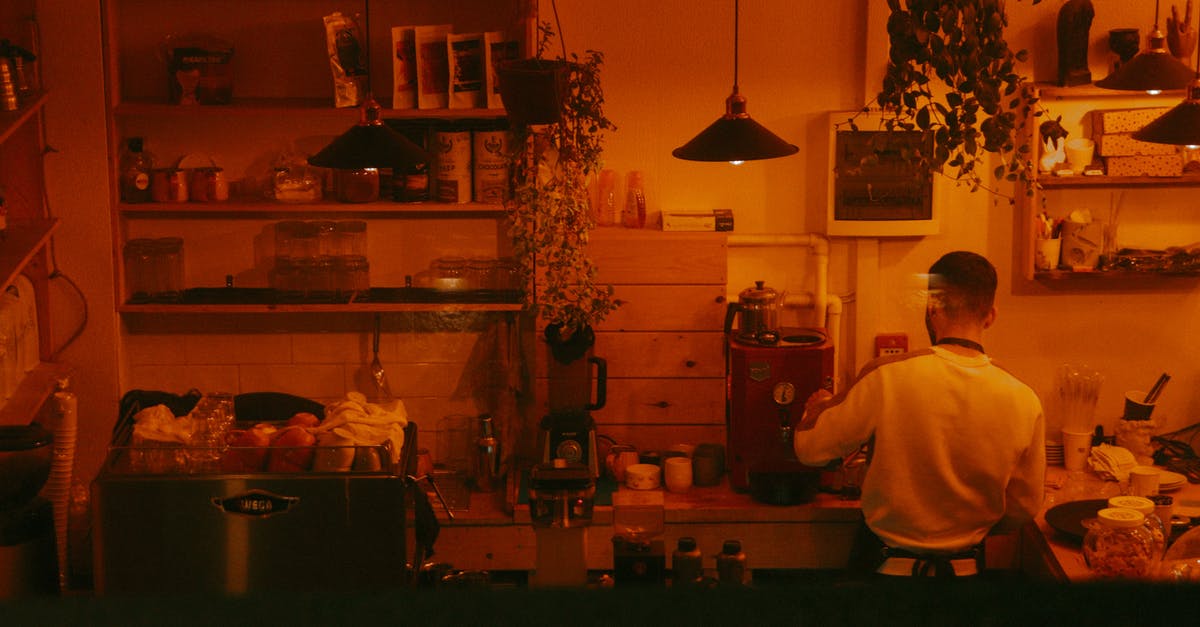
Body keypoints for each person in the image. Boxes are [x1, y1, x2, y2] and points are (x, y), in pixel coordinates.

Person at [793, 251, 1045, 579]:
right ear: (991, 315)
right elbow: (1023, 508)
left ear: (932, 307)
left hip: (885, 576)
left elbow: (810, 450)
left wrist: (818, 407)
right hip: (966, 580)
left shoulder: (887, 377)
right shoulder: (1023, 400)